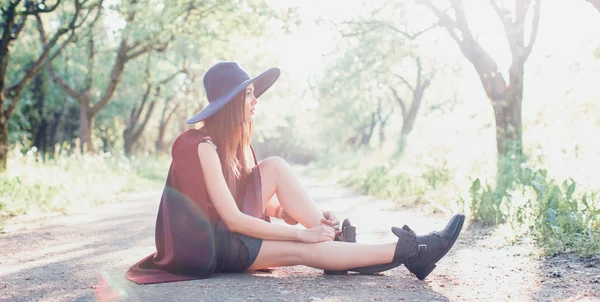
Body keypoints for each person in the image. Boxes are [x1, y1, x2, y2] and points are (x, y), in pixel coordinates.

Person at [126, 62, 464, 285]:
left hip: (231, 233)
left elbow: (241, 195)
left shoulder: (234, 144)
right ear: (229, 104)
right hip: (214, 246)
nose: (255, 101)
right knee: (304, 250)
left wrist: (283, 213)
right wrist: (301, 235)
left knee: (273, 165)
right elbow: (232, 219)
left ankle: (337, 242)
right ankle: (413, 251)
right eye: (248, 95)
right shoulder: (198, 145)